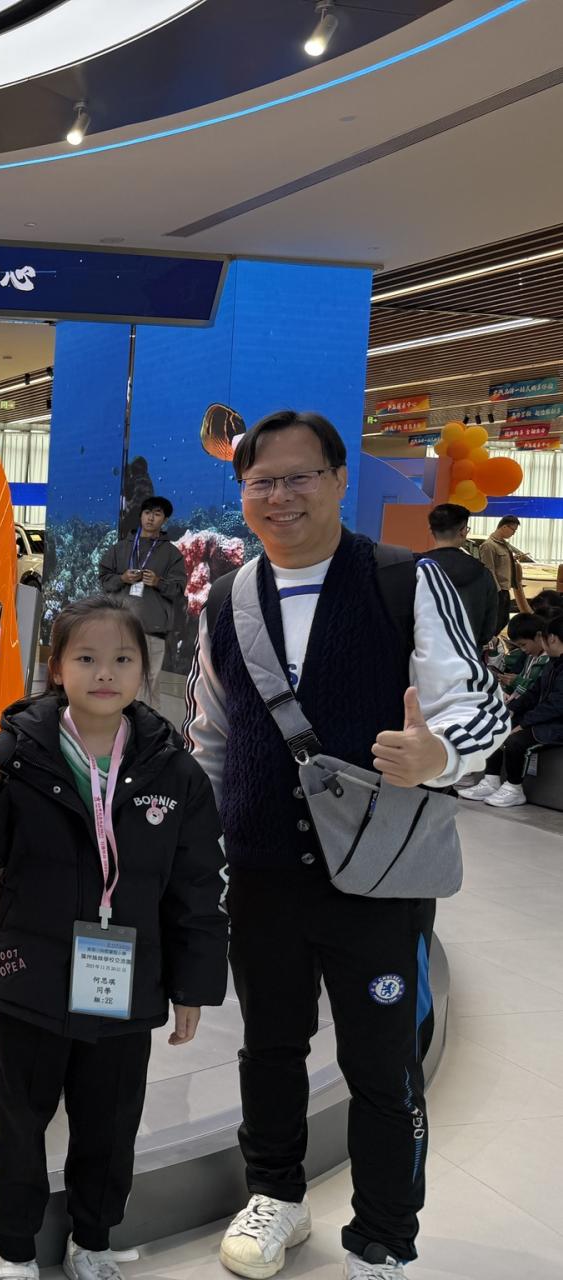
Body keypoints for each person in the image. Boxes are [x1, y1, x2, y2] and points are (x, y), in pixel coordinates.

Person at [184, 411, 508, 1279]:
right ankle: (275, 1197)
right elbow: (209, 737)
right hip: (261, 874)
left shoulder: (404, 580)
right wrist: (193, 857)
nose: (279, 496)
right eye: (261, 482)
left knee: (382, 1062)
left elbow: (480, 705)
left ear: (336, 481)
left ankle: (383, 1237)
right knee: (269, 1046)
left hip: (379, 875)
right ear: (241, 493)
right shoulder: (227, 599)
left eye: (299, 477)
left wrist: (437, 754)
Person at [0, 596, 228, 1280]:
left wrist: (192, 984)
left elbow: (196, 885)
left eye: (122, 659)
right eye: (86, 658)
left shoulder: (172, 769)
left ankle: (92, 1241)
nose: (105, 673)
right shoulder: (16, 752)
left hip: (126, 978)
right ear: (56, 667)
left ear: (143, 669)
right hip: (27, 974)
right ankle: (14, 1251)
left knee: (112, 1119)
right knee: (20, 1121)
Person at [459, 615, 563, 807]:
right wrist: (511, 710)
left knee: (516, 740)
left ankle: (514, 787)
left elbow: (556, 705)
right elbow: (534, 693)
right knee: (497, 726)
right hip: (544, 718)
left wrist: (524, 723)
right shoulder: (553, 663)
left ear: (552, 638)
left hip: (557, 724)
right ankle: (491, 780)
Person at [98, 496, 187, 721]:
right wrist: (122, 578)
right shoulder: (120, 548)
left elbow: (178, 590)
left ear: (164, 520)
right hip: (120, 628)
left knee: (149, 682)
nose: (151, 518)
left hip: (152, 629)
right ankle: (117, 723)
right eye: (147, 513)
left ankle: (147, 728)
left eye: (157, 514)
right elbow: (104, 579)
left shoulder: (172, 554)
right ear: (140, 516)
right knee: (116, 679)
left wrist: (158, 582)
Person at [419, 503, 499, 650]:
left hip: (422, 655)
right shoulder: (482, 573)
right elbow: (488, 629)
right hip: (467, 655)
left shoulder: (416, 568)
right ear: (463, 531)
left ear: (431, 530)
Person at [478, 516, 522, 631]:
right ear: (504, 527)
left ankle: (492, 638)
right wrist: (497, 591)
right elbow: (489, 570)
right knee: (496, 621)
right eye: (513, 530)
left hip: (505, 588)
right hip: (498, 590)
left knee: (503, 619)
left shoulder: (504, 544)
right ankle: (489, 640)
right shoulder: (488, 546)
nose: (513, 533)